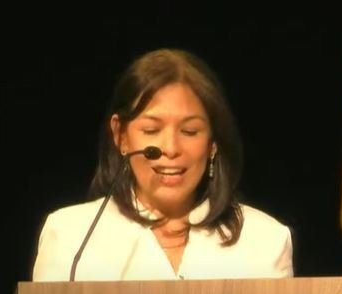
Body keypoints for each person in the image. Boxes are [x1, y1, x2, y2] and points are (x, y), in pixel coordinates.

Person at [32, 49, 293, 281]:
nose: (170, 148)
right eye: (151, 129)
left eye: (190, 131)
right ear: (121, 136)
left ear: (213, 142)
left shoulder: (264, 240)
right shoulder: (70, 237)